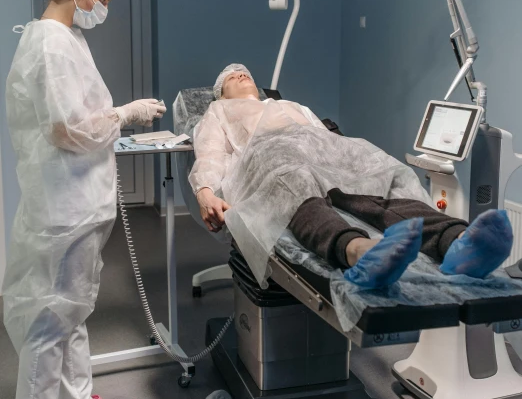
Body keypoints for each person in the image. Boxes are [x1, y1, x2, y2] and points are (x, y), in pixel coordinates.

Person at [2, 0, 166, 399]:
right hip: (64, 202)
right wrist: (126, 114)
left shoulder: (64, 38)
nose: (104, 6)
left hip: (79, 196)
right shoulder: (50, 44)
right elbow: (68, 127)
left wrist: (115, 120)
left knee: (74, 308)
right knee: (53, 314)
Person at [191, 63, 513, 288]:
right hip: (269, 156)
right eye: (233, 75)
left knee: (379, 174)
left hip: (322, 149)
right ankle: (358, 251)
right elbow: (210, 154)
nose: (241, 72)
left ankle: (459, 242)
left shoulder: (291, 105)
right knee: (295, 182)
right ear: (221, 94)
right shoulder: (219, 112)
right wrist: (205, 192)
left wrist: (348, 162)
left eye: (245, 70)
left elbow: (327, 138)